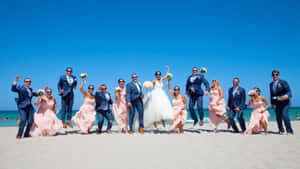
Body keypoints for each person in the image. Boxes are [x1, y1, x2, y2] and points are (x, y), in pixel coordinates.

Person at [270, 70, 293, 135]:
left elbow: (288, 91)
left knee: (285, 115)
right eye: (274, 75)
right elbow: (272, 94)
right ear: (272, 76)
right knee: (278, 117)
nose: (275, 76)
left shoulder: (283, 82)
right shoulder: (271, 84)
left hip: (285, 102)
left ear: (279, 75)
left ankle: (289, 131)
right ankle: (281, 130)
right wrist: (272, 103)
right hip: (277, 103)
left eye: (276, 74)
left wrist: (286, 96)